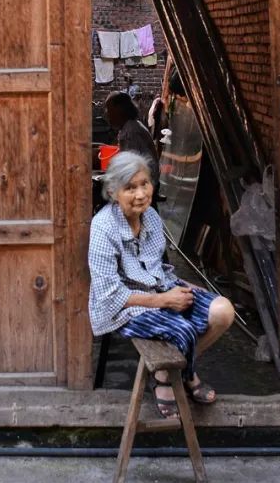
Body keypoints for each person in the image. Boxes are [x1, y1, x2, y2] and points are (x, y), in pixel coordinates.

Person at [88, 151, 236, 417]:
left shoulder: (152, 218)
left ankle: (169, 372)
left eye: (145, 184)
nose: (141, 194)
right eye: (130, 188)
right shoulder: (103, 227)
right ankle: (181, 376)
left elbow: (156, 268)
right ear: (113, 192)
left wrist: (181, 284)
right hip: (125, 306)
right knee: (185, 330)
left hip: (160, 289)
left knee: (223, 311)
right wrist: (164, 300)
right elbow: (108, 295)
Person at [104, 91, 160, 191]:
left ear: (119, 110)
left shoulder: (130, 132)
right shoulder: (130, 126)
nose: (106, 113)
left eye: (109, 109)